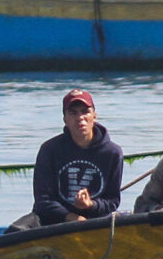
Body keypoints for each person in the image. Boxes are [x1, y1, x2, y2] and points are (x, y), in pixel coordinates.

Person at [30, 89, 124, 226]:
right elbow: (43, 201)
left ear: (94, 116)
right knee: (16, 229)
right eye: (73, 113)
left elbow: (112, 201)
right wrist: (70, 217)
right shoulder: (49, 150)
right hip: (53, 223)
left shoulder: (112, 153)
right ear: (65, 120)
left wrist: (90, 204)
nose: (80, 117)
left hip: (96, 222)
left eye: (85, 111)